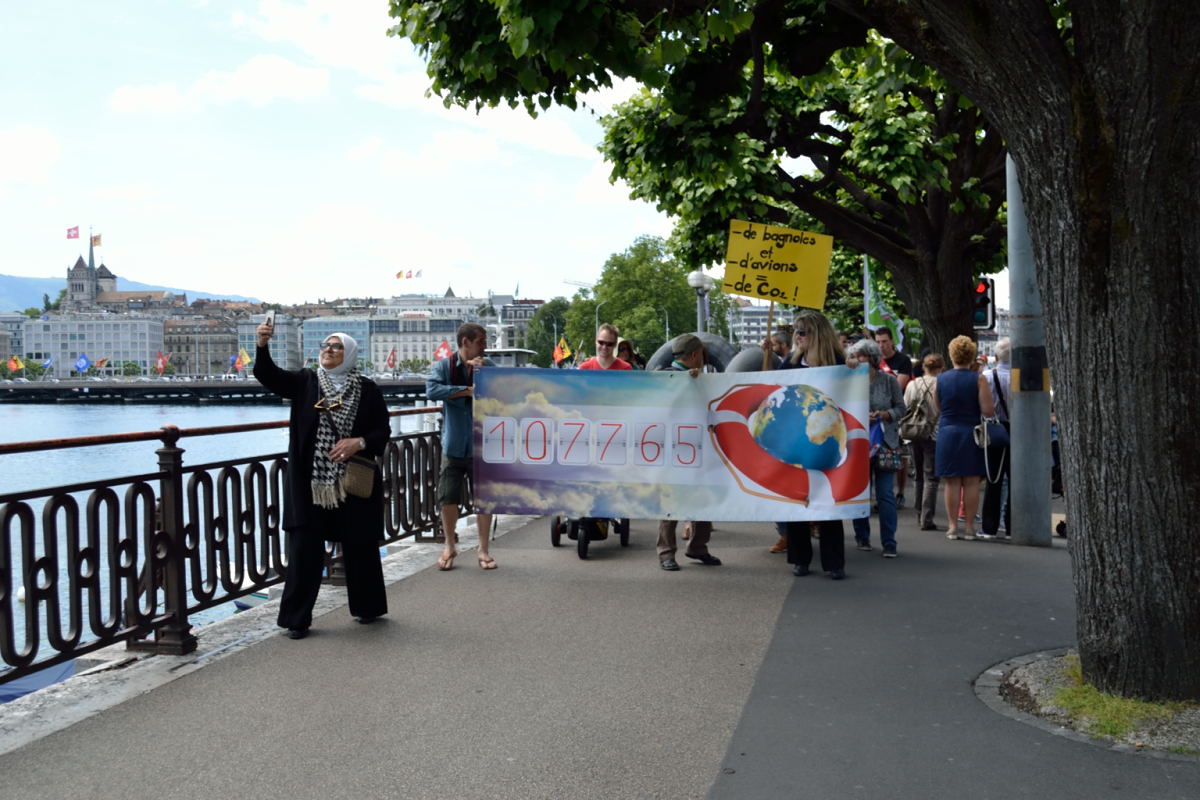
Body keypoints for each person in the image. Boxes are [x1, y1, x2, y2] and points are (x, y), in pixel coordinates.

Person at [254, 321, 389, 640]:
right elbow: (269, 376)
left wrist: (359, 442)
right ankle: (296, 620)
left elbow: (382, 430)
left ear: (349, 354)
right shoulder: (306, 382)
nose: (328, 350)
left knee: (360, 543)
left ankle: (368, 607)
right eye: (325, 346)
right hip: (310, 482)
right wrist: (262, 345)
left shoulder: (366, 388)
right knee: (305, 548)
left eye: (336, 346)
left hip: (351, 479)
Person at [773, 310, 849, 579]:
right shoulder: (790, 364)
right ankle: (800, 559)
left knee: (829, 501)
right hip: (796, 441)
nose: (797, 336)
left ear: (818, 334)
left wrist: (855, 371)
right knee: (797, 501)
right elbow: (774, 390)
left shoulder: (839, 364)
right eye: (796, 331)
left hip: (827, 440)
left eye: (802, 331)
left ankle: (834, 562)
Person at [426, 322, 498, 570]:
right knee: (447, 497)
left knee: (484, 499)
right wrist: (465, 390)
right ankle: (449, 545)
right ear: (465, 342)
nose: (485, 346)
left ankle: (483, 549)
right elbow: (431, 390)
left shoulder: (487, 365)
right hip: (454, 444)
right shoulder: (444, 366)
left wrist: (483, 375)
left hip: (482, 445)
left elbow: (505, 389)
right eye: (481, 341)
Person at [655, 333, 720, 571]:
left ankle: (697, 547)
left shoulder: (700, 378)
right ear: (694, 355)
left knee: (702, 497)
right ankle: (667, 553)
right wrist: (686, 381)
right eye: (701, 354)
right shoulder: (667, 377)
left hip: (697, 446)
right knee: (671, 501)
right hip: (675, 449)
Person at [846, 339, 907, 557]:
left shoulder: (889, 381)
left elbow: (901, 408)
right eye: (854, 356)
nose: (857, 359)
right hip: (858, 444)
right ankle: (862, 537)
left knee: (885, 495)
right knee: (860, 493)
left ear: (872, 358)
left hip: (885, 443)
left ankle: (889, 542)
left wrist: (885, 414)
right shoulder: (849, 380)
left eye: (861, 355)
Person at [936, 335, 997, 540]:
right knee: (971, 481)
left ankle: (952, 526)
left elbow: (938, 407)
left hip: (947, 431)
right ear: (971, 356)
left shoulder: (941, 379)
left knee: (951, 482)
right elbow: (988, 410)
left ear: (952, 355)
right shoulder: (979, 379)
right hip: (971, 432)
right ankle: (970, 527)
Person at [873, 327, 912, 508]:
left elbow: (898, 386)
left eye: (884, 341)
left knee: (900, 456)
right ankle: (878, 496)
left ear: (892, 341)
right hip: (876, 418)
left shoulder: (903, 360)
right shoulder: (874, 361)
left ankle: (900, 492)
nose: (881, 346)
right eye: (878, 342)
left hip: (897, 415)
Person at [906, 353, 944, 530]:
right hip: (933, 432)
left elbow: (905, 405)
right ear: (941, 368)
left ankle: (918, 513)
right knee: (931, 477)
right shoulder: (940, 384)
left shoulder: (912, 384)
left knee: (918, 474)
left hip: (913, 432)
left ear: (923, 367)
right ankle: (927, 518)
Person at [979, 338, 1012, 539]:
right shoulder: (1018, 377)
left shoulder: (987, 376)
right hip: (1016, 430)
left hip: (993, 429)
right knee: (1015, 478)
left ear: (997, 356)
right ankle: (1012, 527)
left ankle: (989, 527)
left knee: (993, 478)